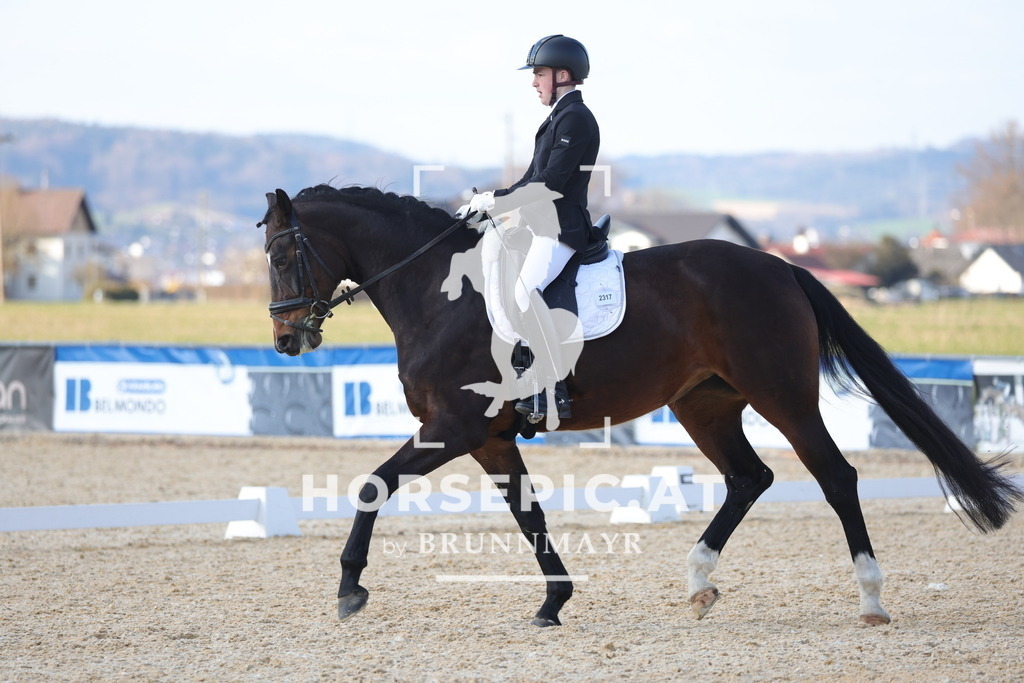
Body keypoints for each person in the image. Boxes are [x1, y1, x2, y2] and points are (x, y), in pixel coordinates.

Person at [457, 34, 600, 425]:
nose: (534, 81)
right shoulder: (557, 119)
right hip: (539, 226)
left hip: (561, 230)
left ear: (563, 75)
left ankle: (551, 388)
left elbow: (552, 182)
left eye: (539, 73)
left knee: (524, 293)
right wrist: (492, 204)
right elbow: (530, 179)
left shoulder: (576, 119)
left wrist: (497, 201)